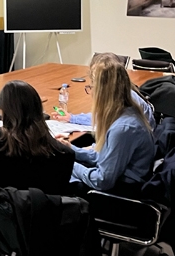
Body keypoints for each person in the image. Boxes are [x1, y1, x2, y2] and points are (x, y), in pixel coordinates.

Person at [59, 53, 155, 198]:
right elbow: (105, 156)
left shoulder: (122, 128)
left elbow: (102, 180)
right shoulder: (126, 113)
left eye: (91, 87)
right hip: (122, 179)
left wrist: (70, 164)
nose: (90, 93)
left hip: (119, 195)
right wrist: (71, 150)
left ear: (102, 92)